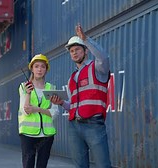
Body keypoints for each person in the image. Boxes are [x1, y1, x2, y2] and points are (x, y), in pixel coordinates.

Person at [50, 24, 112, 168]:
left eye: (77, 49)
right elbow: (72, 105)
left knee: (103, 165)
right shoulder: (71, 78)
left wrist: (86, 39)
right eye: (71, 51)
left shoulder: (97, 68)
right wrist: (61, 103)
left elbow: (104, 57)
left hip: (94, 125)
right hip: (74, 126)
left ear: (86, 51)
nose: (74, 53)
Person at [18, 54, 59, 168]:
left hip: (46, 134)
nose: (39, 69)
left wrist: (37, 109)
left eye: (42, 67)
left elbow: (55, 113)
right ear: (32, 69)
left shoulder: (51, 88)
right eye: (36, 66)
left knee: (42, 165)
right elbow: (26, 111)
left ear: (46, 70)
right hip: (27, 133)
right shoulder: (23, 87)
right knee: (28, 165)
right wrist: (28, 93)